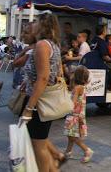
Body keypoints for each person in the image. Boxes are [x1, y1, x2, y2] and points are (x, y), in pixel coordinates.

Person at [20, 13, 66, 171]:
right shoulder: (52, 44)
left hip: (39, 101)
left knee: (38, 145)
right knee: (40, 141)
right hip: (42, 99)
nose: (32, 25)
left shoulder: (42, 45)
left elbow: (43, 78)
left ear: (43, 25)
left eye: (36, 22)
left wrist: (29, 108)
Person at [64, 66, 93, 163]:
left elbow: (73, 102)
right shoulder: (82, 87)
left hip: (74, 115)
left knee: (72, 136)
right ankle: (68, 152)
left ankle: (87, 150)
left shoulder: (77, 88)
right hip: (79, 114)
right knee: (70, 134)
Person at [90, 25, 111, 90]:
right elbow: (105, 56)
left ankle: (108, 84)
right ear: (103, 32)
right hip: (100, 63)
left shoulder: (93, 40)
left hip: (92, 62)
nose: (106, 31)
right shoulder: (102, 42)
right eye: (106, 29)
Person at [13, 23, 37, 89]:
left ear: (35, 34)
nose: (22, 35)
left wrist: (24, 51)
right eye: (22, 32)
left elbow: (15, 63)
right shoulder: (33, 48)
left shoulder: (31, 51)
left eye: (26, 33)